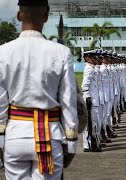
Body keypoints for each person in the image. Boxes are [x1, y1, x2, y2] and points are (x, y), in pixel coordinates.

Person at [0, 0, 78, 179]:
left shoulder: (3, 52)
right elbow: (68, 100)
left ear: (19, 15)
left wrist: (1, 138)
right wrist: (71, 140)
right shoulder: (61, 52)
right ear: (45, 16)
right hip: (49, 135)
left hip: (15, 135)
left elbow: (1, 101)